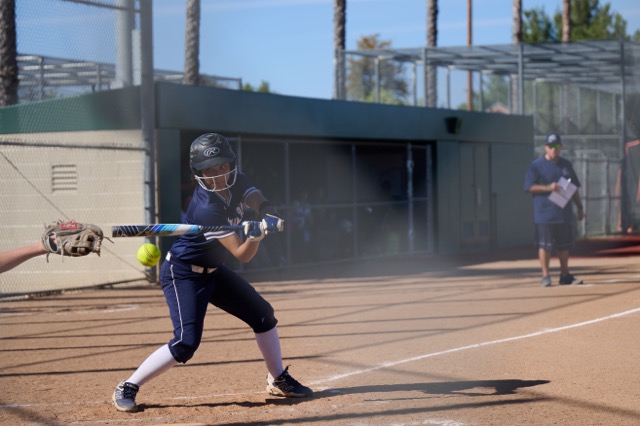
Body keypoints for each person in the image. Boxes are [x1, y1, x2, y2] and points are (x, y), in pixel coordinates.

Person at [112, 133, 312, 413]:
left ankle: (278, 378)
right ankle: (128, 385)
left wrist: (267, 211)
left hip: (214, 272)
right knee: (186, 343)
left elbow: (253, 195)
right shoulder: (206, 208)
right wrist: (256, 236)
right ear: (199, 173)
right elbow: (242, 254)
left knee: (263, 315)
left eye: (222, 166)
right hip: (183, 274)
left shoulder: (236, 178)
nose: (218, 174)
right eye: (210, 169)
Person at [524, 133, 585, 287]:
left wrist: (580, 207)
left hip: (563, 212)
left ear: (561, 147)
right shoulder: (536, 165)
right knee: (545, 245)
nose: (554, 149)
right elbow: (529, 187)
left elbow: (574, 188)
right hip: (544, 214)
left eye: (557, 146)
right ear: (546, 147)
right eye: (551, 146)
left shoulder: (566, 165)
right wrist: (548, 187)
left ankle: (565, 275)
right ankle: (545, 276)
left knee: (564, 245)